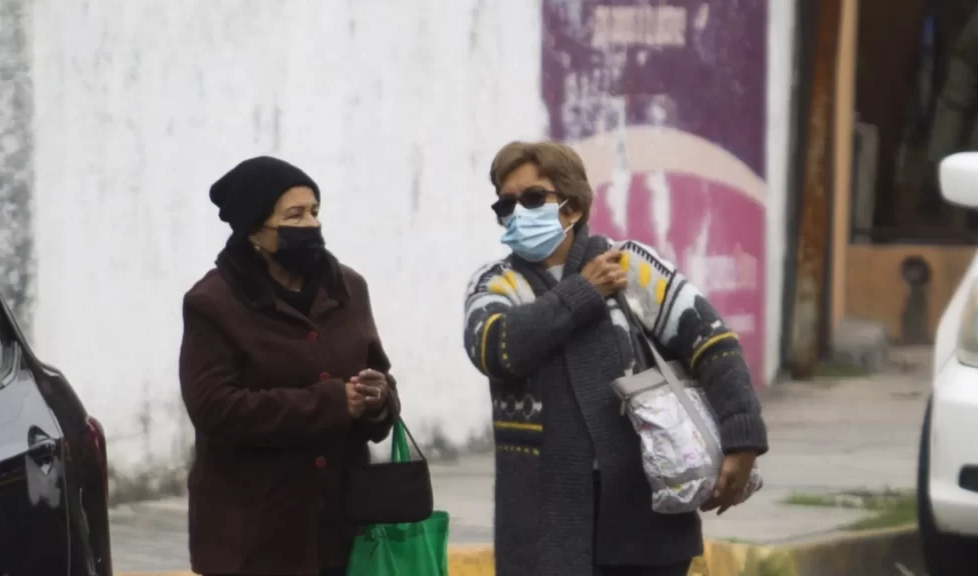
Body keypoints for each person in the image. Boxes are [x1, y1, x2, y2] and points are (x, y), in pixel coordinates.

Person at [462, 141, 769, 576]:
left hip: (645, 520)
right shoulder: (497, 282)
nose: (518, 213)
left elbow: (711, 341)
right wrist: (582, 292)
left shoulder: (628, 265)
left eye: (533, 198)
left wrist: (743, 438)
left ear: (572, 208)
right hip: (541, 524)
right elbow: (496, 349)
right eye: (506, 204)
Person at [179, 156, 399, 576]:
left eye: (314, 211)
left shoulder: (349, 288)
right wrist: (332, 403)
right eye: (293, 215)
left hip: (341, 531)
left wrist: (378, 400)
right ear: (254, 229)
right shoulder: (213, 303)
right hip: (255, 539)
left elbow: (379, 377)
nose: (311, 225)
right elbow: (214, 409)